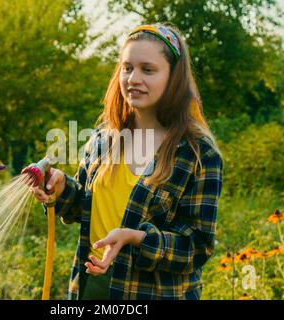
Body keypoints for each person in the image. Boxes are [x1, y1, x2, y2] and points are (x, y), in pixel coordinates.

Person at [32, 23, 223, 300]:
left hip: (150, 293)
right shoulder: (102, 140)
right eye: (127, 67)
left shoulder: (197, 154)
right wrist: (61, 189)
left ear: (173, 78)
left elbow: (197, 248)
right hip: (92, 288)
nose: (133, 78)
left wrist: (136, 238)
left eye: (148, 69)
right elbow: (83, 208)